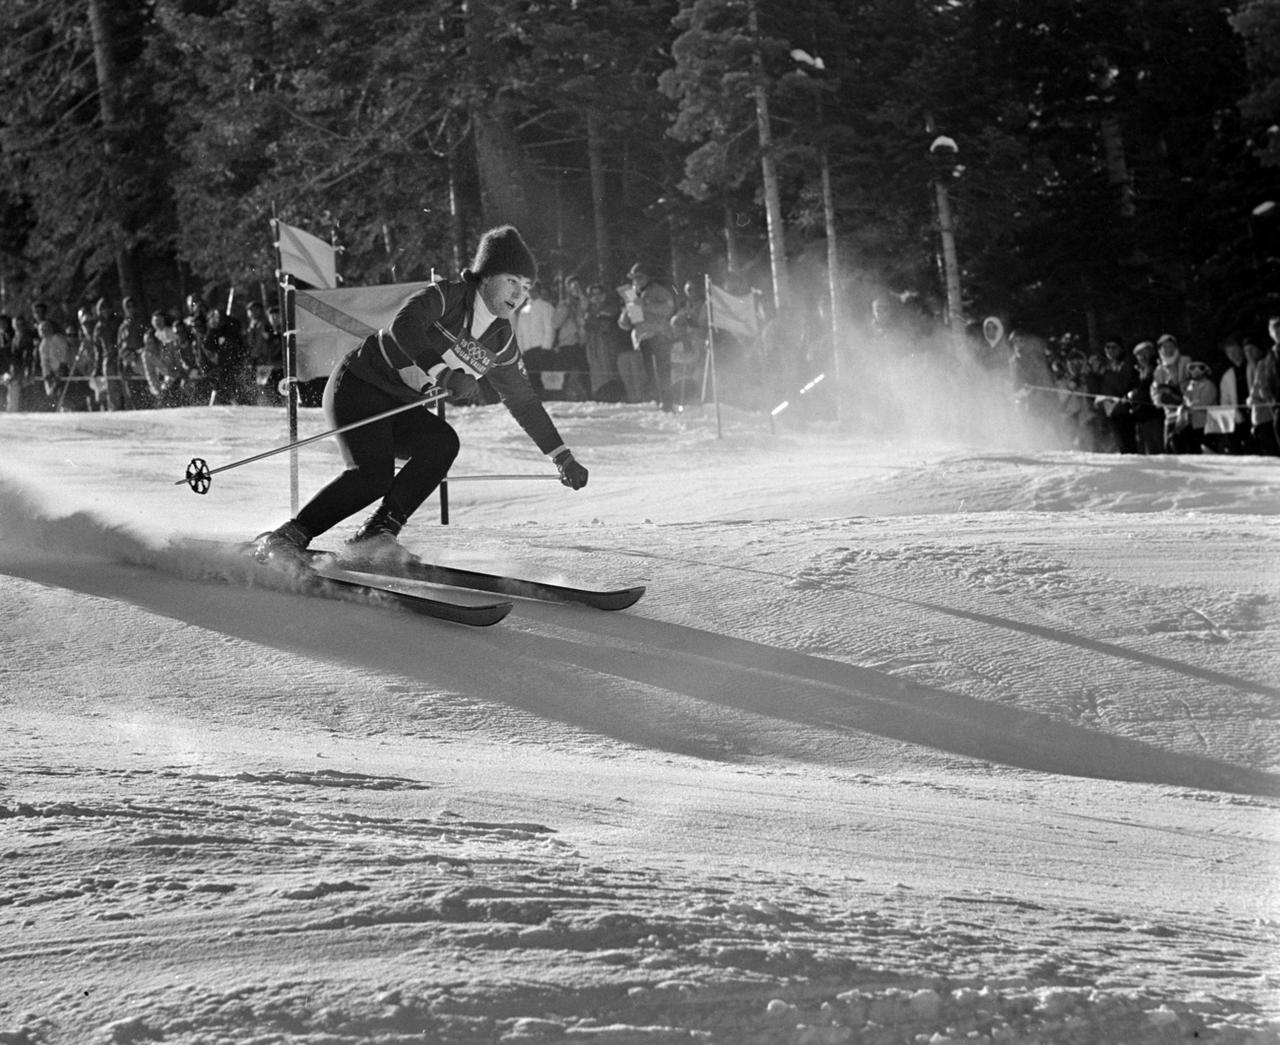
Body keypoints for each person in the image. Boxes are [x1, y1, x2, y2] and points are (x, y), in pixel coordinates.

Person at [253, 225, 589, 564]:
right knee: (373, 476)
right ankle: (287, 537)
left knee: (441, 443)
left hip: (399, 404)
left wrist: (561, 455)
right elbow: (405, 325)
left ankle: (377, 534)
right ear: (486, 277)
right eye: (512, 281)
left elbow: (524, 402)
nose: (519, 294)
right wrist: (442, 372)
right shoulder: (449, 295)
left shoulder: (501, 340)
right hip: (358, 384)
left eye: (526, 287)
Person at [617, 262, 677, 411]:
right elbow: (631, 320)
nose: (636, 280)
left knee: (662, 370)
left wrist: (645, 305)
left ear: (647, 277)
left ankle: (667, 402)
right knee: (648, 372)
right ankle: (656, 400)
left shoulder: (658, 291)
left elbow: (668, 309)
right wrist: (626, 314)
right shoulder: (632, 294)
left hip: (659, 334)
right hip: (642, 337)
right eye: (634, 278)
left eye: (639, 277)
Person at [582, 282, 624, 401]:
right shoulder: (588, 310)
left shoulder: (610, 307)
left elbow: (606, 325)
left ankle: (612, 396)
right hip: (592, 345)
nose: (596, 297)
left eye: (599, 294)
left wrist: (592, 320)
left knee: (608, 370)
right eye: (593, 295)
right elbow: (586, 326)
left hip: (607, 344)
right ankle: (598, 395)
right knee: (595, 370)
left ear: (604, 295)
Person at [514, 280, 556, 394]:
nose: (531, 292)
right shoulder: (523, 311)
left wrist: (546, 347)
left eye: (533, 290)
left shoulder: (546, 306)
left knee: (545, 378)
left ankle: (549, 400)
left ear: (538, 291)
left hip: (541, 348)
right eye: (528, 290)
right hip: (528, 351)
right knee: (532, 378)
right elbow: (520, 333)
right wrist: (521, 351)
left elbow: (549, 328)